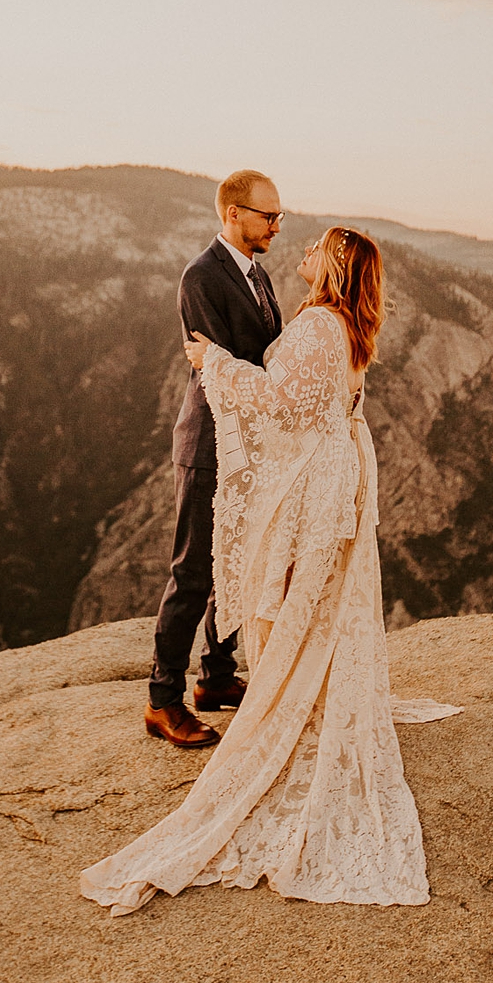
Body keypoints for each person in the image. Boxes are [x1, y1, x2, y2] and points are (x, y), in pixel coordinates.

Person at [81, 227, 461, 916]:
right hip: (331, 468)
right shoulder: (345, 324)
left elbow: (284, 401)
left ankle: (274, 687)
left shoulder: (318, 322)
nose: (301, 248)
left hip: (314, 478)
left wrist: (215, 362)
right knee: (305, 595)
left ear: (336, 264)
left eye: (315, 244)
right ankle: (262, 680)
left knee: (289, 593)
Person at [144, 168, 286, 749]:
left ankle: (217, 676)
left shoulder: (259, 274)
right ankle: (162, 700)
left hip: (247, 441)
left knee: (237, 563)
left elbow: (263, 352)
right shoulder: (200, 276)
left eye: (279, 216)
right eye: (268, 215)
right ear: (234, 214)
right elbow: (225, 365)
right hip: (209, 444)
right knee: (195, 571)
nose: (277, 224)